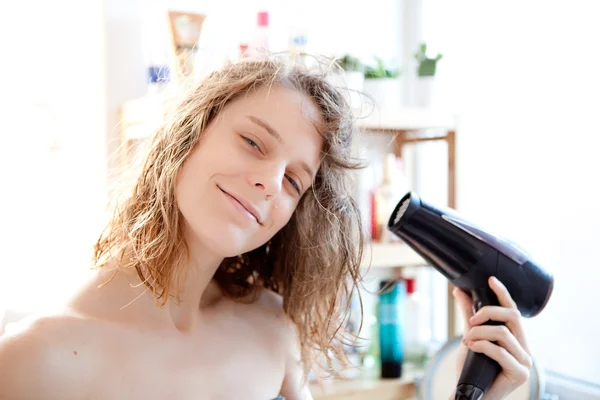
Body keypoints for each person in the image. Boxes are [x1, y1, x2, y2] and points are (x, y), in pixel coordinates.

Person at [0, 56, 533, 400]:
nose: (268, 182)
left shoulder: (271, 328)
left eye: (294, 181)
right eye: (254, 142)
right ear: (188, 136)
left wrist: (477, 395)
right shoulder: (35, 361)